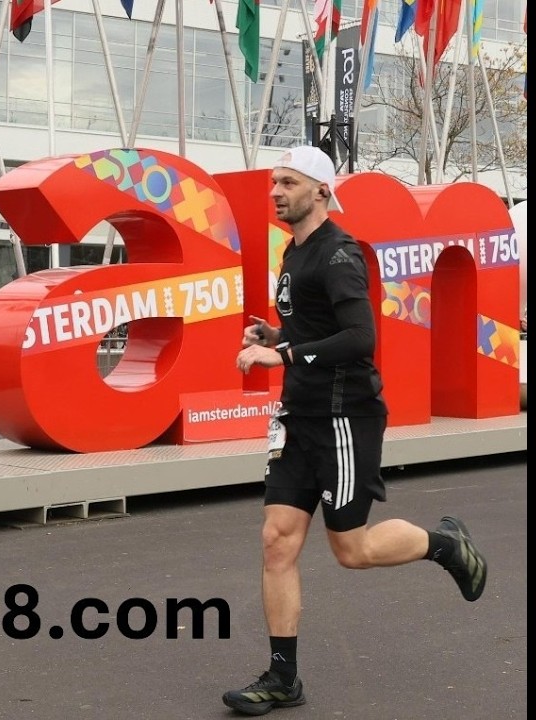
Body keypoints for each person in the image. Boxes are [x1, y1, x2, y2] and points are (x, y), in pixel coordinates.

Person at [222, 146, 488, 716]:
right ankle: (282, 678)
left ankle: (444, 544)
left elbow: (360, 339)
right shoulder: (293, 252)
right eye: (273, 182)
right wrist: (275, 334)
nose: (275, 192)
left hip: (346, 417)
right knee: (276, 542)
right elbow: (320, 327)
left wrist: (284, 354)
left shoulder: (338, 254)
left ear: (319, 191)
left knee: (351, 549)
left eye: (288, 183)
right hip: (298, 418)